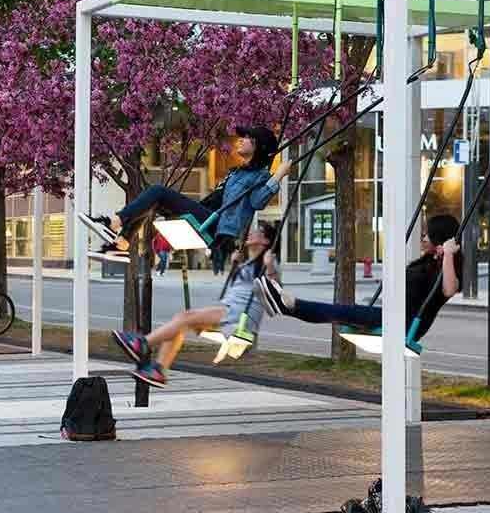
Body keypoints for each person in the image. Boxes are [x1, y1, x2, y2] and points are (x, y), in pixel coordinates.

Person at [79, 126, 291, 263]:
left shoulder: (260, 176)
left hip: (216, 225)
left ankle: (112, 223)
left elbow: (257, 202)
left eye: (248, 138)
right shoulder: (238, 172)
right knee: (153, 200)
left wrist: (278, 175)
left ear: (259, 147)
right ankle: (120, 245)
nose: (241, 140)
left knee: (158, 191)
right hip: (207, 213)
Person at [111, 223, 279, 388]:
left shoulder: (269, 263)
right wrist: (237, 265)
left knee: (185, 318)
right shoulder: (248, 263)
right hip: (230, 310)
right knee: (181, 322)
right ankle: (158, 370)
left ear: (265, 241)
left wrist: (270, 267)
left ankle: (143, 344)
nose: (251, 232)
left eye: (258, 231)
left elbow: (275, 292)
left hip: (239, 317)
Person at [255, 214, 462, 343]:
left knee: (339, 311)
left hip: (405, 325)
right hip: (393, 316)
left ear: (440, 237)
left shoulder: (446, 266)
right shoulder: (427, 262)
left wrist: (448, 255)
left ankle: (288, 303)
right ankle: (285, 305)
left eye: (427, 234)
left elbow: (449, 289)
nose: (423, 238)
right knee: (339, 314)